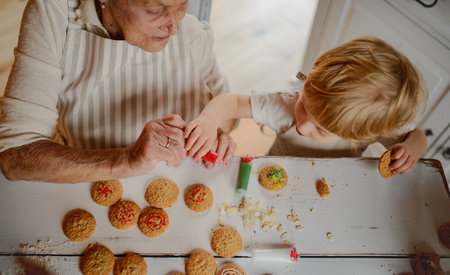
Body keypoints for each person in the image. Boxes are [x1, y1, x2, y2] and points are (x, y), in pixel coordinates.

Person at [0, 0, 236, 183]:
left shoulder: (191, 32)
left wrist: (211, 129)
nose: (174, 27)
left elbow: (229, 113)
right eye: (155, 9)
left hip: (182, 183)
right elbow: (14, 156)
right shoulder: (56, 14)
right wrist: (126, 160)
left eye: (182, 4)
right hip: (85, 182)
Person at [184, 36, 428, 175]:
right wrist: (208, 120)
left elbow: (415, 135)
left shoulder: (368, 124)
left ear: (364, 134)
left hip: (331, 183)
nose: (301, 127)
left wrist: (412, 150)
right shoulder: (286, 104)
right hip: (275, 173)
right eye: (304, 106)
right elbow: (233, 102)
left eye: (321, 130)